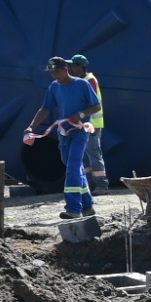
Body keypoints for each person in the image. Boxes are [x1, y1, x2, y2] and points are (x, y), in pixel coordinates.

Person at [23, 56, 101, 219]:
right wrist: (31, 127)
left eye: (56, 72)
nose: (54, 75)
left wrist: (80, 114)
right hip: (64, 134)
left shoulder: (82, 84)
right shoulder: (54, 87)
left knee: (73, 166)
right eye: (51, 72)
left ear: (66, 70)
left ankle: (73, 208)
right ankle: (87, 205)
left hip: (80, 132)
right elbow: (45, 109)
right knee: (74, 166)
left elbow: (96, 106)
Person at [66, 54, 107, 194]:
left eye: (73, 65)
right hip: (82, 125)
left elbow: (91, 102)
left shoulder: (90, 80)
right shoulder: (81, 81)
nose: (70, 68)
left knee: (94, 153)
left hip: (92, 124)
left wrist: (80, 114)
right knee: (85, 155)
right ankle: (89, 185)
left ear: (80, 66)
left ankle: (101, 185)